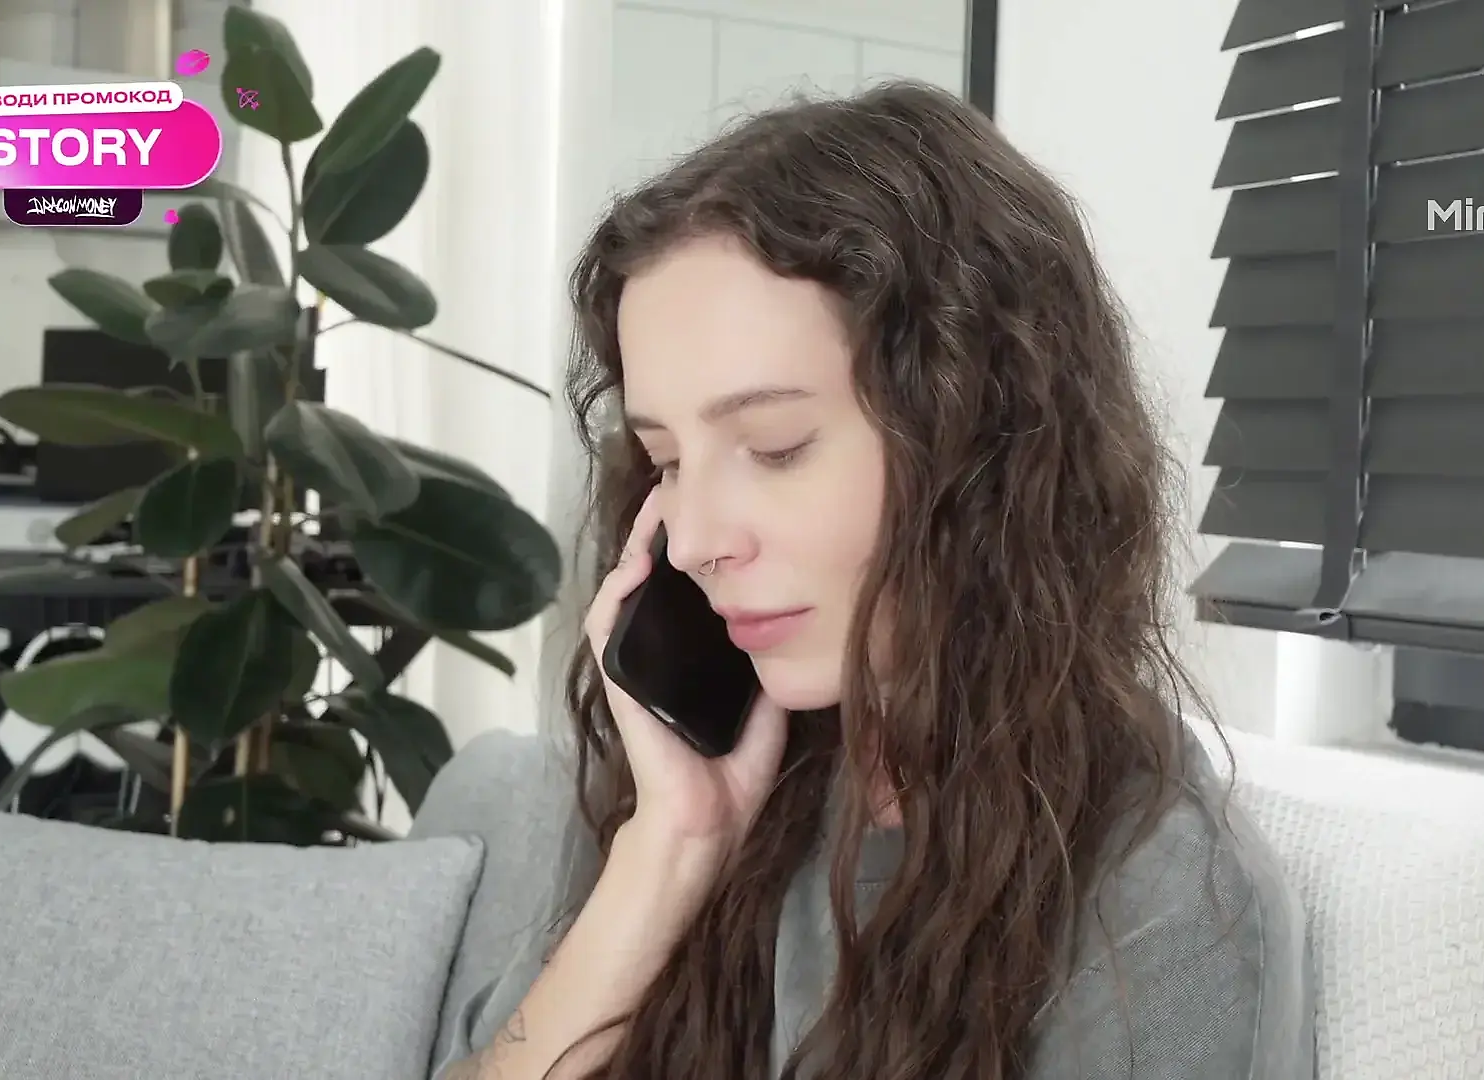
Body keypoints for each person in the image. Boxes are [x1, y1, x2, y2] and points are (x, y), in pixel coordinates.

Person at [434, 80, 1313, 1080]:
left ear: (976, 443)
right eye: (666, 461)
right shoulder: (712, 787)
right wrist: (669, 851)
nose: (692, 542)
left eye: (776, 446)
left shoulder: (1157, 908)